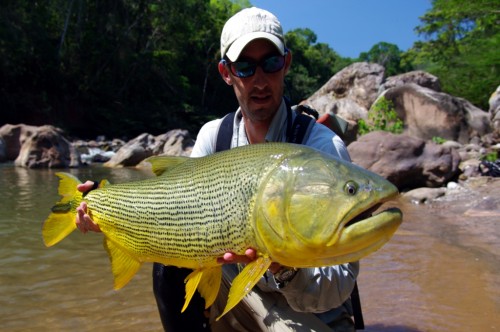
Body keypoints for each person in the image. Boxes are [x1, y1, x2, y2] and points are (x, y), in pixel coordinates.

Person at [76, 7, 358, 332]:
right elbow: (173, 209)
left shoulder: (322, 150)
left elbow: (336, 289)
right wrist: (106, 210)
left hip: (306, 308)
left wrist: (281, 266)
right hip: (238, 289)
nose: (260, 79)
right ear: (226, 72)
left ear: (286, 63)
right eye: (245, 67)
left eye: (270, 63)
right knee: (167, 266)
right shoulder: (215, 136)